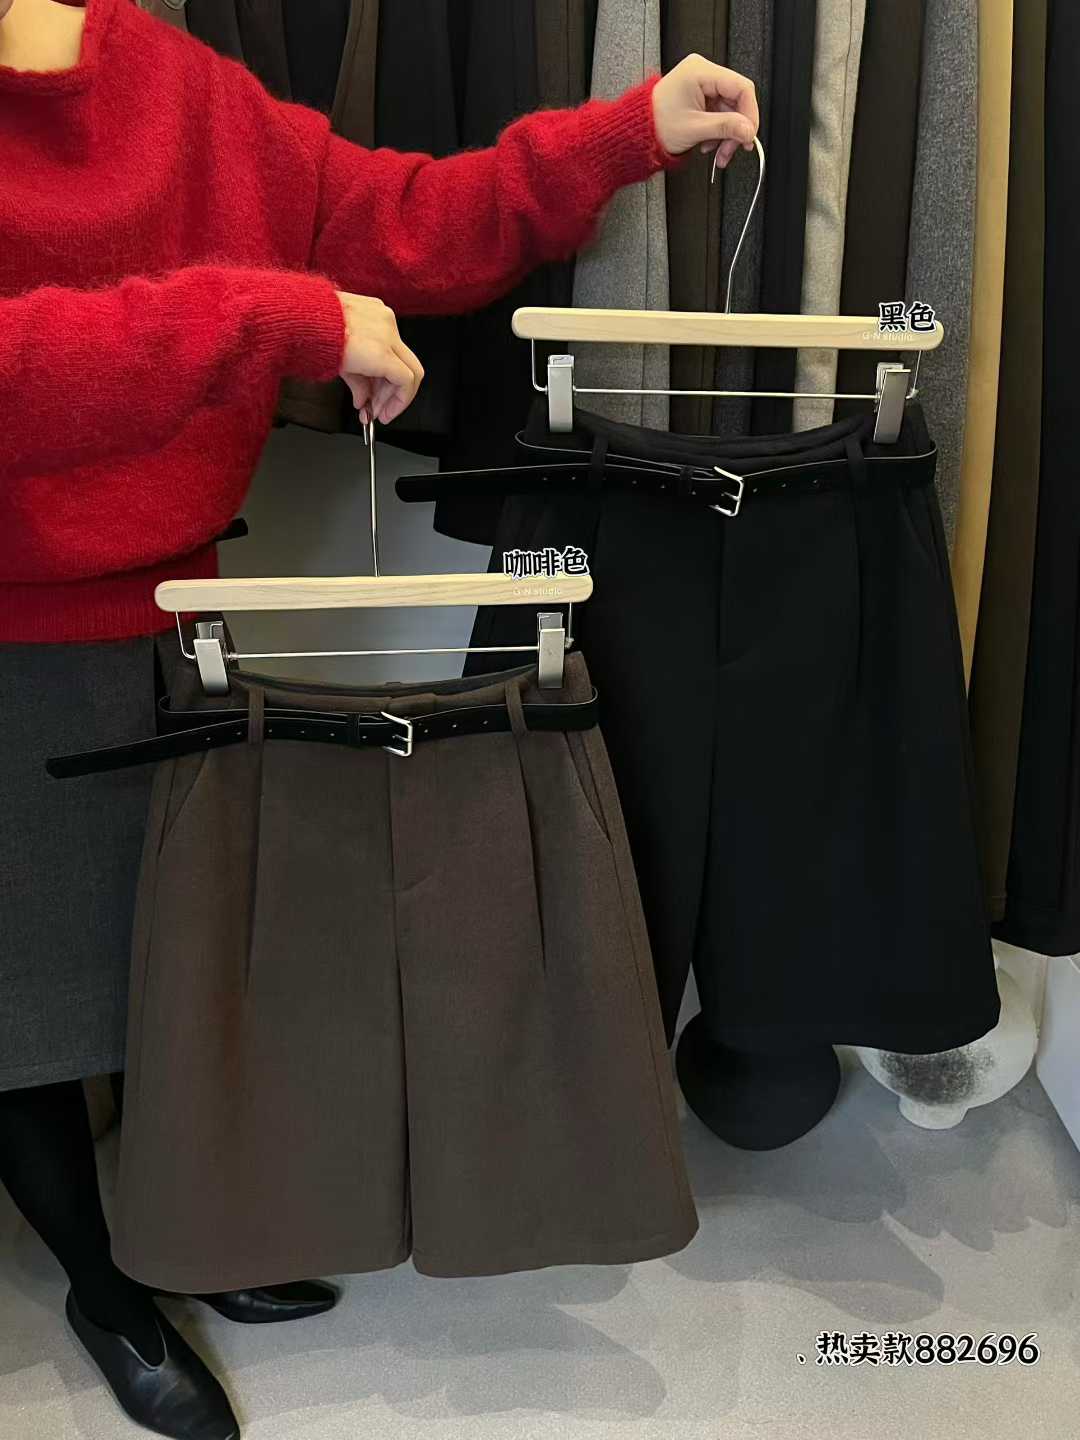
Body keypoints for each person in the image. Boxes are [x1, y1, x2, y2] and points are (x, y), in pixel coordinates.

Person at [0, 2, 759, 1437]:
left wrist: (625, 134)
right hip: (8, 635)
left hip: (172, 616)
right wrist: (269, 316)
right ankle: (107, 1287)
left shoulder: (175, 87)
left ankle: (190, 1230)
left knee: (187, 965)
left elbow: (401, 217)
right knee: (25, 1012)